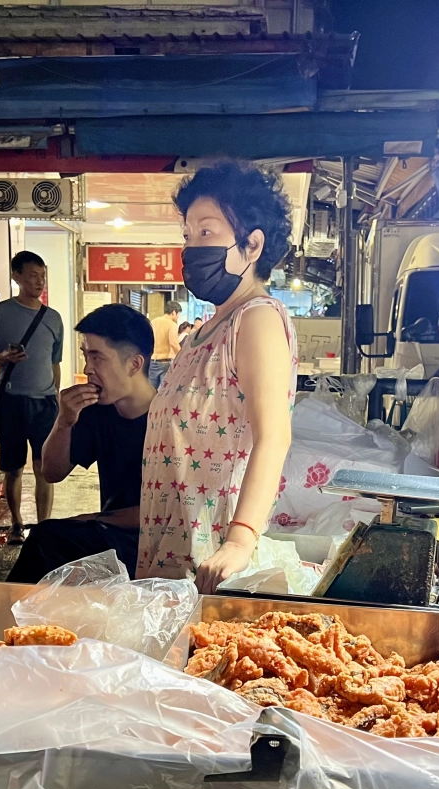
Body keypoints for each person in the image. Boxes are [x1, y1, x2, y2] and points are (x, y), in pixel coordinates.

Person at [137, 161, 298, 592]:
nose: (191, 249)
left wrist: (241, 540)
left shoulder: (257, 319)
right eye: (188, 236)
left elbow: (274, 435)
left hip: (212, 554)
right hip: (174, 542)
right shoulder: (207, 328)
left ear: (253, 244)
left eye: (206, 233)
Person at [8, 303, 155, 582]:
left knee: (48, 539)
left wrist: (94, 518)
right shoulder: (96, 411)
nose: (88, 368)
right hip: (110, 533)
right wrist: (64, 421)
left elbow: (164, 511)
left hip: (157, 542)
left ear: (135, 364)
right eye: (86, 355)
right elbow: (51, 472)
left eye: (98, 357)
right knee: (46, 540)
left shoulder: (169, 419)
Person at [0, 251, 63, 545]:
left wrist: (58, 402)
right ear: (17, 277)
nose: (39, 281)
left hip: (44, 404)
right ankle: (16, 523)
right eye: (32, 275)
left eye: (42, 275)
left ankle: (44, 528)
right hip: (11, 403)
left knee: (44, 469)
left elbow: (54, 363)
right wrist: (3, 357)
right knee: (13, 468)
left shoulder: (53, 318)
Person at [148, 300, 182, 389]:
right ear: (174, 312)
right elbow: (174, 343)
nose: (178, 317)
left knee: (151, 389)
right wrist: (183, 355)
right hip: (165, 362)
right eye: (178, 314)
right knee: (164, 391)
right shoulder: (172, 325)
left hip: (152, 360)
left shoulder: (153, 322)